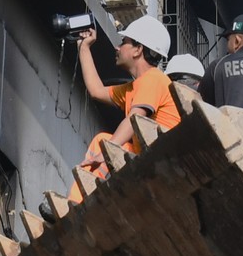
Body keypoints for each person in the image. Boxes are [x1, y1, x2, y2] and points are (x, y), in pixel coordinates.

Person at [73, 16, 180, 191]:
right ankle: (79, 199)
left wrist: (106, 151)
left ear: (138, 49)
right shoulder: (135, 87)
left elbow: (134, 118)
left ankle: (79, 201)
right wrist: (84, 47)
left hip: (163, 160)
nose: (117, 47)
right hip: (150, 156)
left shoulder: (153, 78)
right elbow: (96, 90)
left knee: (105, 143)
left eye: (124, 42)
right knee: (103, 140)